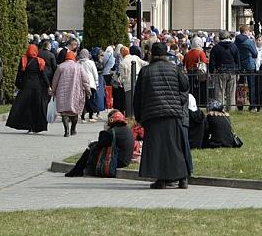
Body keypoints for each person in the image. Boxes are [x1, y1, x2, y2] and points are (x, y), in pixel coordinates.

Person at [133, 42, 191, 189]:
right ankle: (183, 178)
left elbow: (138, 96)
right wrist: (179, 101)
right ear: (166, 54)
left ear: (152, 54)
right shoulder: (174, 69)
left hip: (153, 114)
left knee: (158, 149)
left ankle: (162, 179)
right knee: (175, 146)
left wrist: (139, 117)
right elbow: (185, 86)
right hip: (173, 112)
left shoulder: (146, 71)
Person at [64, 110, 135, 177]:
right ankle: (78, 169)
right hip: (125, 160)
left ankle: (77, 170)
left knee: (90, 150)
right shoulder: (126, 129)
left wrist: (105, 129)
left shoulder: (112, 132)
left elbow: (100, 145)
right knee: (93, 146)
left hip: (117, 161)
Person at [6, 44, 52, 133]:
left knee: (25, 107)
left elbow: (19, 74)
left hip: (26, 86)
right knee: (37, 107)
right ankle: (36, 127)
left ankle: (27, 126)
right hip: (37, 87)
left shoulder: (24, 60)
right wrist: (48, 86)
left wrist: (17, 85)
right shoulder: (40, 61)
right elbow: (43, 75)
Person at [52, 50, 90, 137]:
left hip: (62, 92)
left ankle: (66, 131)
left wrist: (53, 91)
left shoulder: (61, 67)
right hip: (76, 92)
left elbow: (55, 81)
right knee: (74, 112)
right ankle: (73, 129)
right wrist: (88, 90)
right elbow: (85, 80)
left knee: (64, 112)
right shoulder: (79, 67)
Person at [208, 31, 240, 109]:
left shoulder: (216, 47)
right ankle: (231, 108)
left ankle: (219, 108)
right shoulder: (234, 46)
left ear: (220, 37)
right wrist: (238, 71)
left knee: (219, 93)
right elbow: (237, 60)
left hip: (220, 71)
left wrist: (212, 72)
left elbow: (212, 61)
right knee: (231, 93)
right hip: (232, 71)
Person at [234, 25, 258, 111]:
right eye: (248, 31)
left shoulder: (236, 41)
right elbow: (255, 53)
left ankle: (240, 103)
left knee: (240, 84)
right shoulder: (249, 41)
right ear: (246, 32)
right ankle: (252, 104)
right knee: (251, 85)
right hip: (249, 64)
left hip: (240, 65)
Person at [183, 37, 208, 106]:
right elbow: (204, 63)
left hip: (190, 74)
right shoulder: (201, 52)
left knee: (192, 91)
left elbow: (185, 63)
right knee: (200, 90)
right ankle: (201, 102)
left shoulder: (188, 53)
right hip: (199, 75)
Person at [78, 48, 100, 122]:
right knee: (90, 99)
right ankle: (91, 116)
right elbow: (95, 73)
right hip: (91, 84)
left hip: (81, 84)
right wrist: (96, 82)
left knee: (83, 101)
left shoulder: (78, 63)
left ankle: (82, 117)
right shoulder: (91, 62)